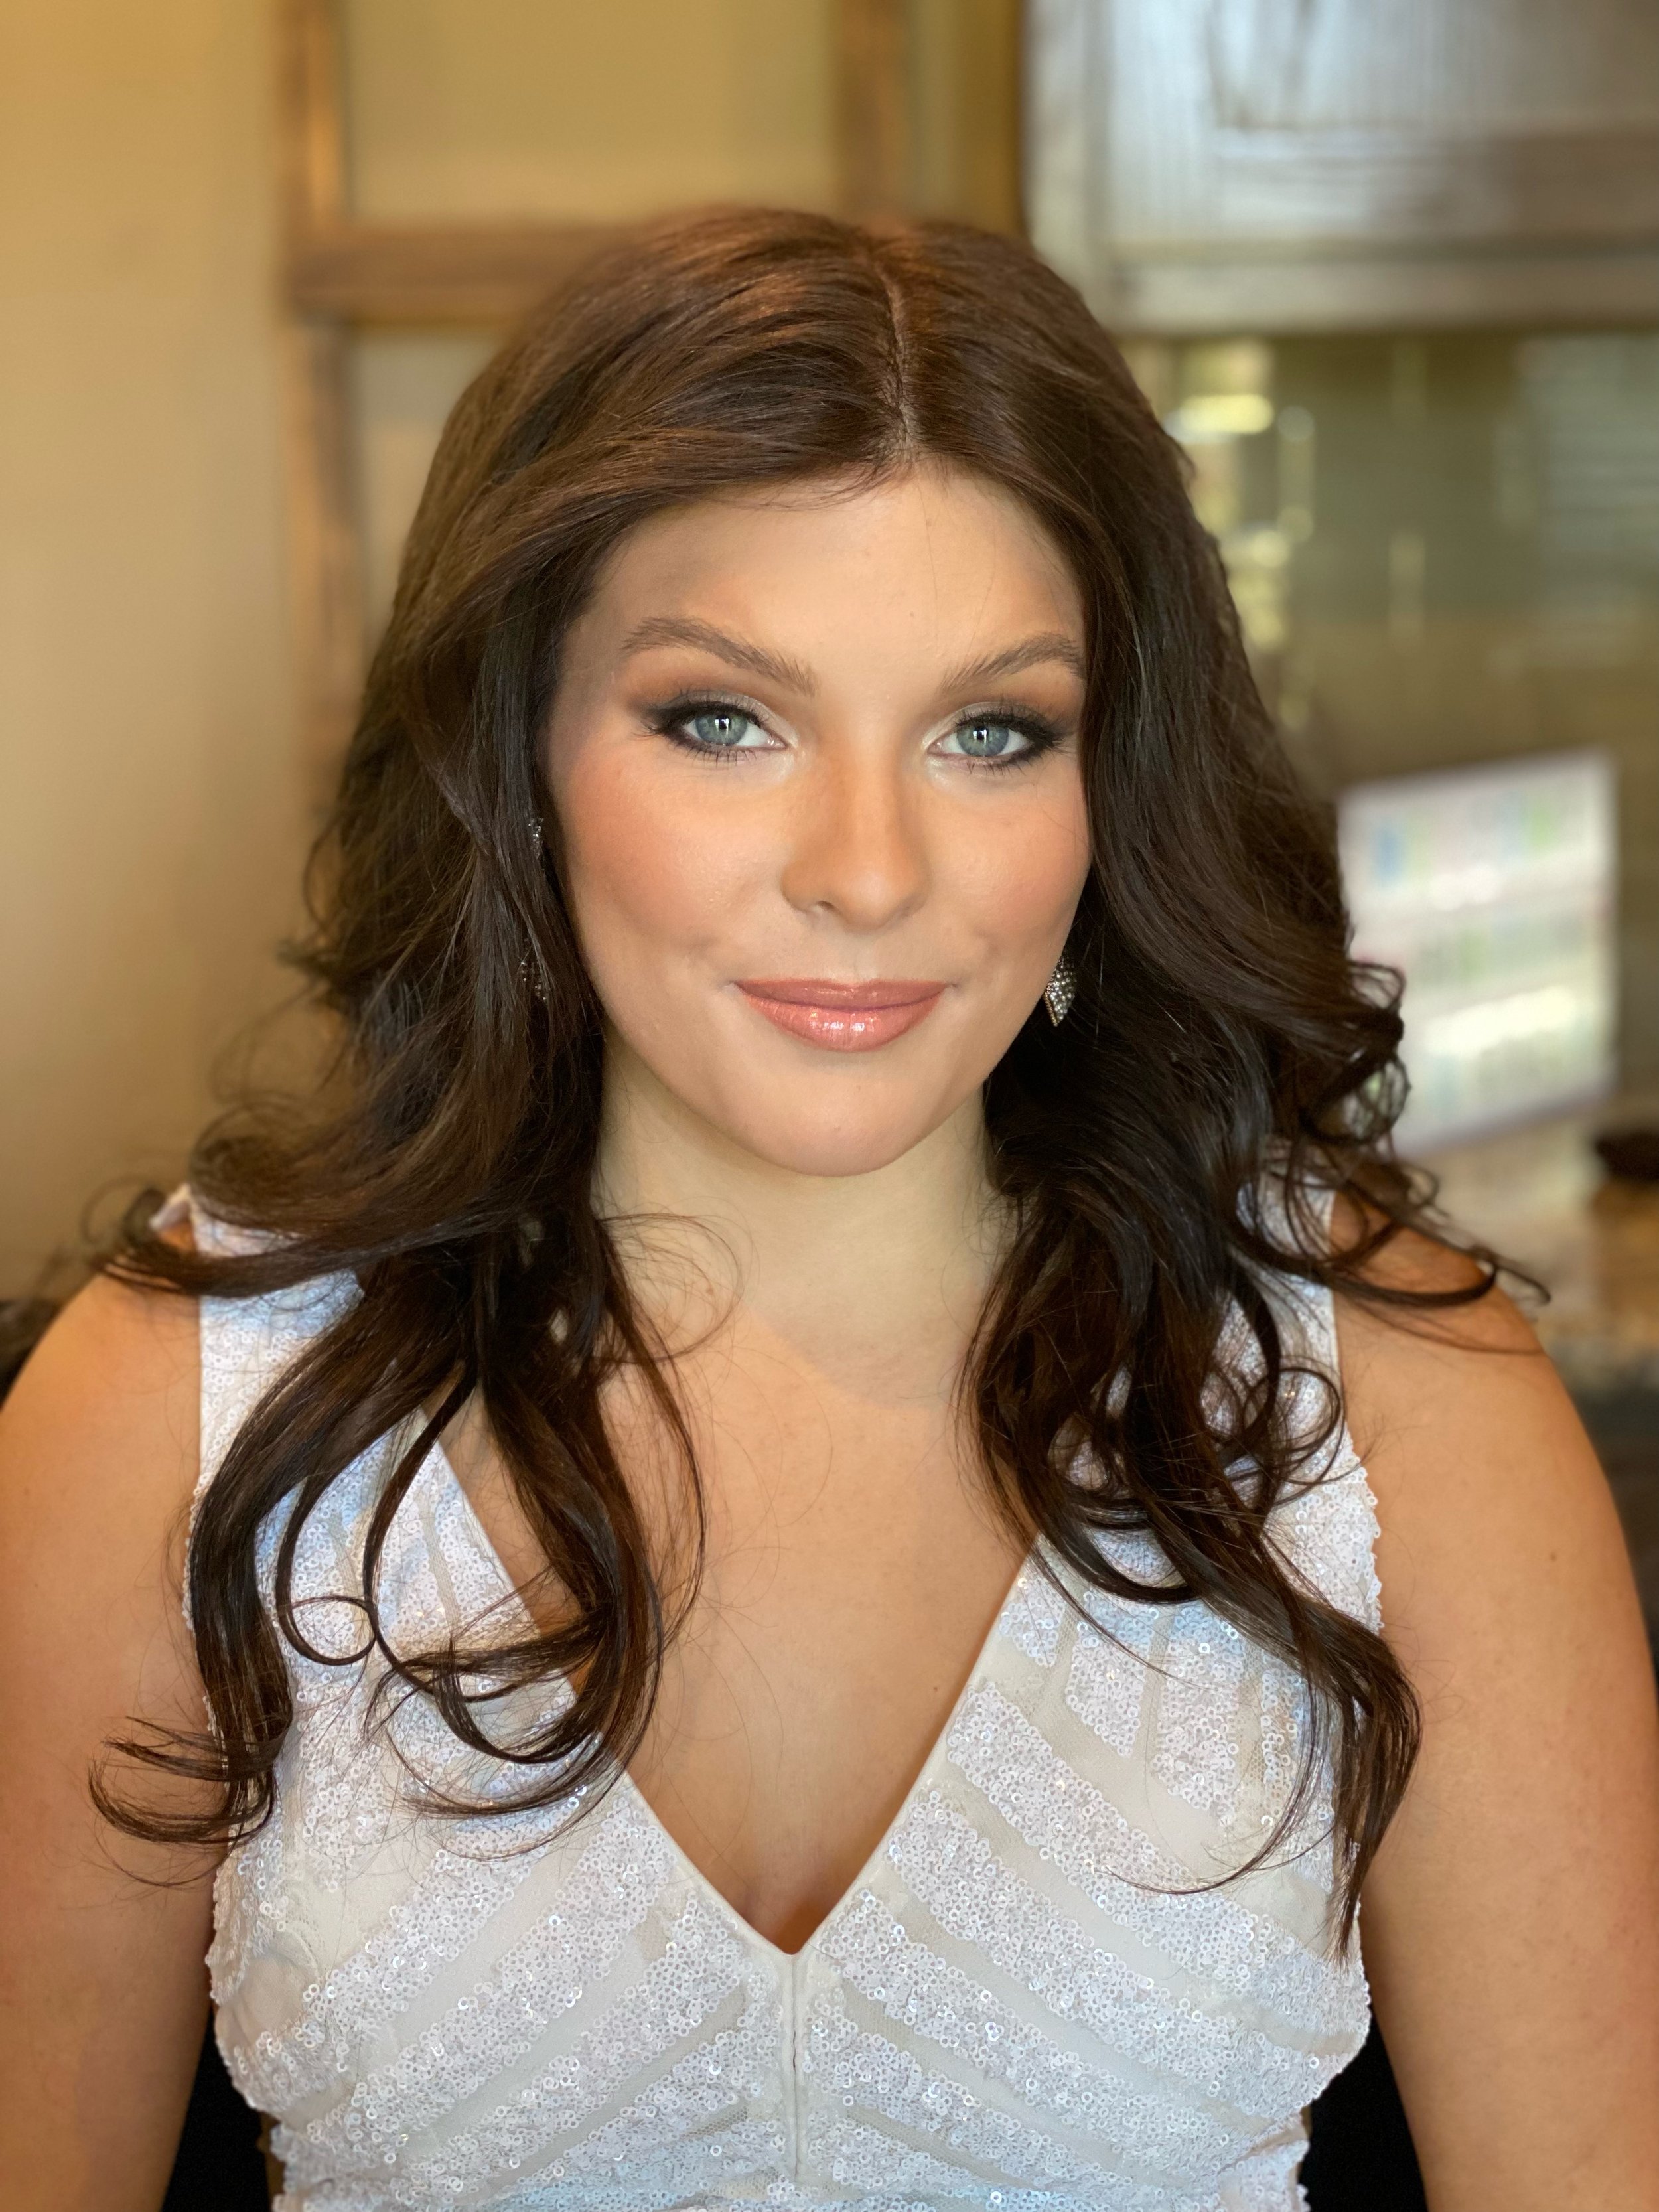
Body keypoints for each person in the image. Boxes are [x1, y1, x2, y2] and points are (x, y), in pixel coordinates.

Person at [1, 209, 1654, 2212]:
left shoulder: (1397, 1402)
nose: (867, 871)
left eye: (991, 732)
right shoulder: (170, 1408)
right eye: (723, 719)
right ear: (519, 754)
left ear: (1107, 790)